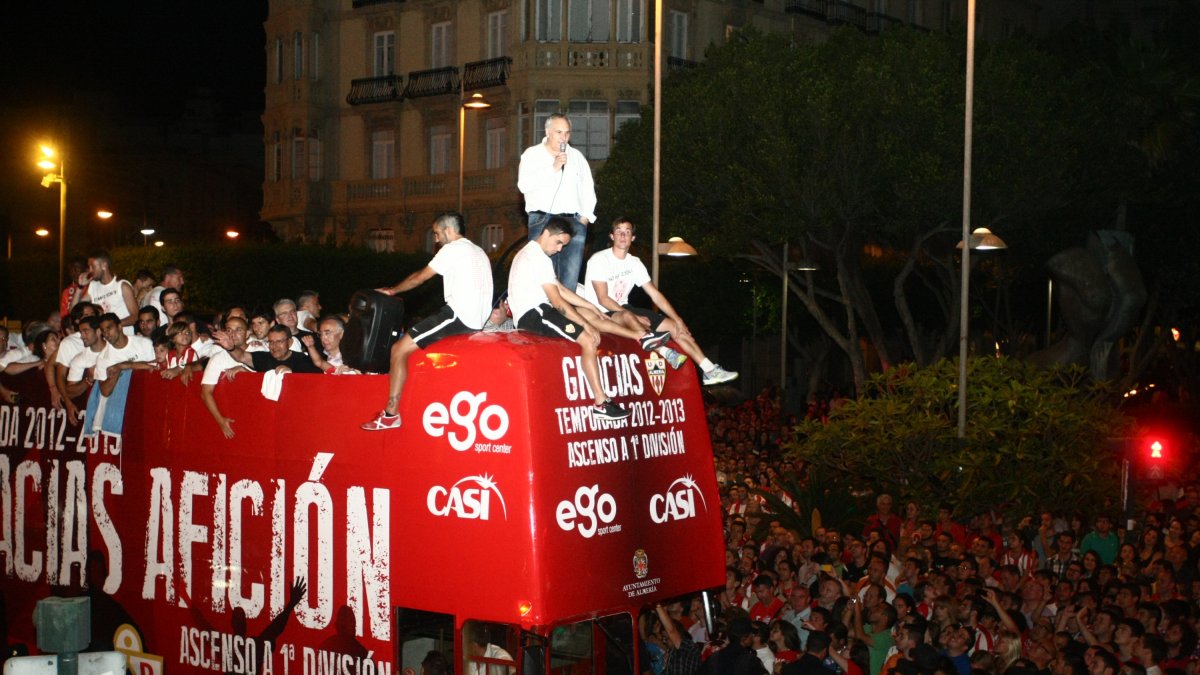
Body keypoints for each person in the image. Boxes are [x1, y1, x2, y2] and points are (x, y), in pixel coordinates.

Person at [361, 212, 493, 431]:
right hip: (477, 318)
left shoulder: (453, 249)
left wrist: (391, 290)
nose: (436, 239)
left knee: (398, 349)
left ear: (449, 230)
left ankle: (390, 414)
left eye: (437, 233)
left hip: (458, 315)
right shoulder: (478, 251)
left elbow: (420, 277)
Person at [581, 217, 739, 385]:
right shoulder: (599, 260)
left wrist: (678, 319)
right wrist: (630, 314)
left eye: (627, 232)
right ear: (612, 236)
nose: (622, 235)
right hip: (600, 312)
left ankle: (709, 370)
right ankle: (664, 351)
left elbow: (655, 294)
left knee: (673, 326)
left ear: (632, 238)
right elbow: (603, 299)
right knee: (629, 316)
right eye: (618, 231)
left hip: (622, 308)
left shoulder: (635, 263)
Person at [505, 218, 632, 422]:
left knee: (587, 330)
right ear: (546, 233)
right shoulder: (537, 257)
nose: (560, 249)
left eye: (563, 245)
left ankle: (601, 400)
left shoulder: (533, 254)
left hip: (540, 310)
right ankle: (601, 402)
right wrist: (586, 325)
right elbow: (557, 302)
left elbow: (560, 289)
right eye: (559, 243)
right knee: (589, 339)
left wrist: (589, 306)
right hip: (535, 313)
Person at [517, 112, 596, 292]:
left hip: (573, 221)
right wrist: (553, 167)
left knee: (570, 279)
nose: (564, 137)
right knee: (541, 278)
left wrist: (584, 219)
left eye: (567, 133)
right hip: (543, 220)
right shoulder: (532, 154)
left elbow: (588, 189)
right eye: (559, 132)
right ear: (548, 132)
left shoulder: (576, 157)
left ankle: (566, 319)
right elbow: (524, 185)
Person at [73, 250, 138, 334]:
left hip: (125, 338)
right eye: (89, 267)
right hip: (104, 342)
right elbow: (74, 310)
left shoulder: (122, 285)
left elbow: (135, 316)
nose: (90, 270)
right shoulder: (93, 286)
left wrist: (110, 326)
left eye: (92, 266)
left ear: (104, 265)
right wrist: (80, 287)